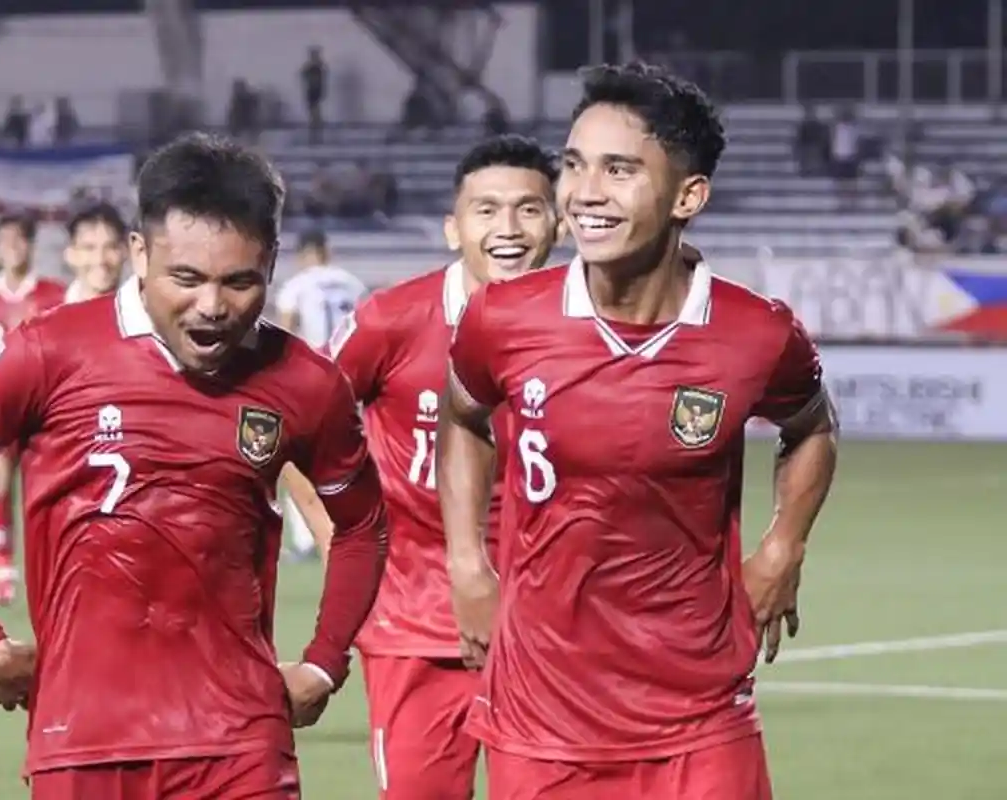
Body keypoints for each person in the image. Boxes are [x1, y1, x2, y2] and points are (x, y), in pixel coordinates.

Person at [0, 133, 389, 800]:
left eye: (241, 282)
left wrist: (326, 663)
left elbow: (363, 525)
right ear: (141, 254)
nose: (212, 307)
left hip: (240, 745)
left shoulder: (304, 383)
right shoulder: (48, 353)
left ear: (270, 262)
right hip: (82, 743)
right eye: (187, 279)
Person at [437, 63, 839, 800]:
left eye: (619, 170)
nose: (585, 193)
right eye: (574, 165)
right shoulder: (503, 319)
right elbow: (463, 418)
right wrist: (467, 564)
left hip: (700, 712)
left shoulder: (756, 335)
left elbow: (813, 427)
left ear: (689, 195)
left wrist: (784, 545)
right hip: (542, 715)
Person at [285, 134, 560, 799]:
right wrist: (337, 541)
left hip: (549, 631)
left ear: (560, 221)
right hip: (416, 628)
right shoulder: (394, 320)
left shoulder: (581, 326)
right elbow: (292, 425)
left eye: (529, 209)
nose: (508, 228)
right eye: (487, 210)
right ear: (452, 227)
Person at [0, 212, 65, 605]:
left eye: (19, 239)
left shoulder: (52, 293)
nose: (11, 247)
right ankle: (5, 573)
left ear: (30, 246)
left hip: (42, 408)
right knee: (1, 482)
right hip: (1, 406)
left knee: (44, 493)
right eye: (4, 240)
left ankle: (53, 572)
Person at [274, 228, 367, 559]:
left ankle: (305, 541)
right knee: (348, 461)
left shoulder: (297, 285)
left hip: (312, 380)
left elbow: (285, 334)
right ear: (327, 250)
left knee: (297, 460)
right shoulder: (351, 282)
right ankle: (355, 527)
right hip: (351, 378)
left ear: (303, 255)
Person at [63, 201, 129, 303]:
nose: (100, 259)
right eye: (89, 248)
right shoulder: (48, 313)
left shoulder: (144, 313)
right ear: (70, 255)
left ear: (125, 251)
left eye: (110, 247)